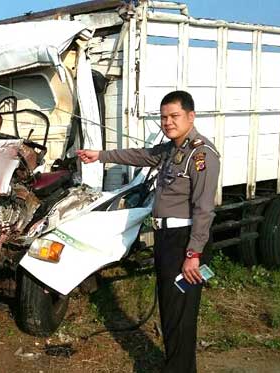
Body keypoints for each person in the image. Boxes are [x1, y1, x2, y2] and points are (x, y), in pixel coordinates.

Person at [77, 90, 220, 373]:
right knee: (170, 309)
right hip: (167, 240)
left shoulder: (201, 154)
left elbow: (204, 209)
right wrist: (100, 155)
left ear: (191, 116)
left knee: (181, 314)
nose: (168, 122)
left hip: (186, 242)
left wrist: (193, 254)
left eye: (174, 116)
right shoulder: (170, 149)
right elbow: (139, 155)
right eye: (164, 117)